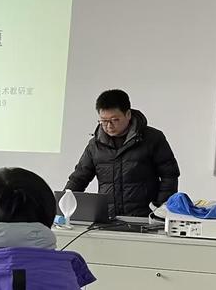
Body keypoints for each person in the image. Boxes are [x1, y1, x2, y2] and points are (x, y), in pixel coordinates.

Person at [65, 89, 180, 217]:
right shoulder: (95, 145)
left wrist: (160, 209)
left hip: (144, 217)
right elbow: (79, 178)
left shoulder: (152, 138)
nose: (109, 126)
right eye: (103, 121)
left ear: (128, 114)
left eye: (114, 120)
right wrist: (63, 205)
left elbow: (169, 175)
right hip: (108, 217)